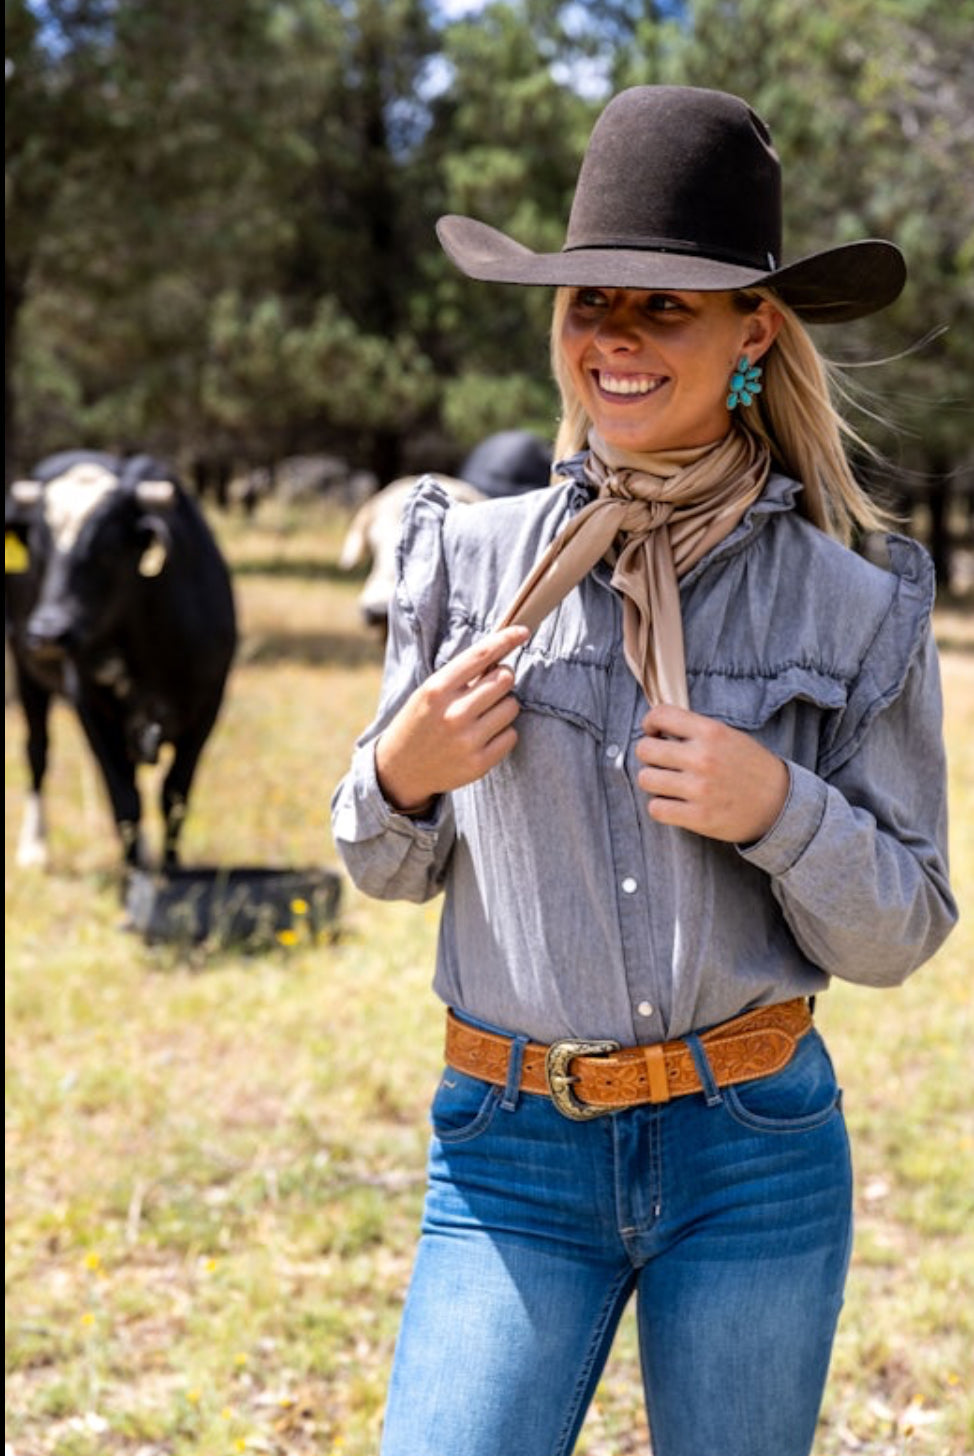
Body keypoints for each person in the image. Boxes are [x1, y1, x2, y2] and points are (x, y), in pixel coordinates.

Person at [330, 85, 957, 1456]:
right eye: (586, 303)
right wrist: (404, 772)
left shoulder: (852, 604)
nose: (612, 335)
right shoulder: (467, 562)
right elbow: (380, 867)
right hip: (509, 1152)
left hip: (754, 1151)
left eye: (662, 305)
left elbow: (900, 930)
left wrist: (778, 811)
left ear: (755, 330)